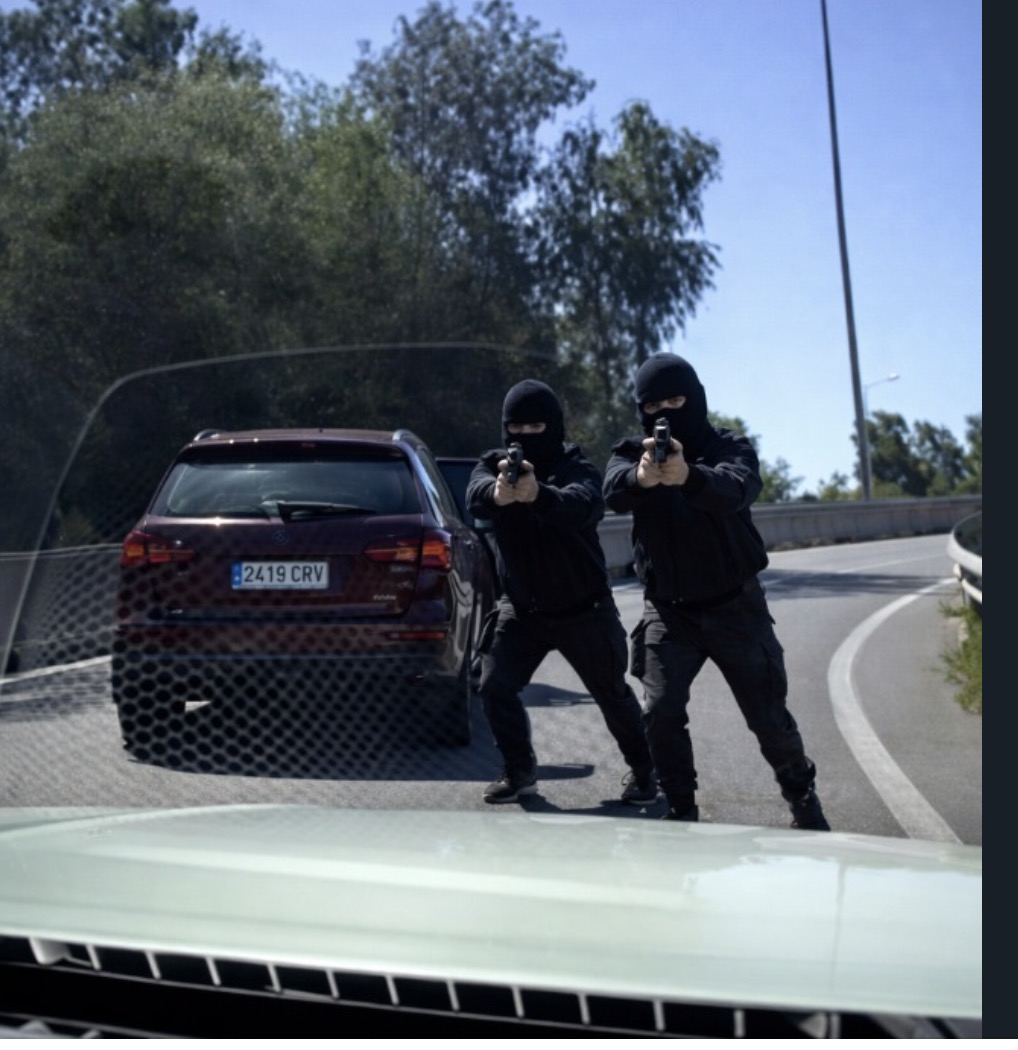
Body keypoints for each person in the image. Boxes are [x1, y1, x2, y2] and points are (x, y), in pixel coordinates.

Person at [603, 353, 830, 829]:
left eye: (675, 401)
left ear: (695, 398)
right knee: (660, 713)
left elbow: (738, 487)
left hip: (734, 607)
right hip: (669, 611)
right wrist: (642, 478)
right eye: (653, 406)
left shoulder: (728, 446)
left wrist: (690, 477)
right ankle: (680, 808)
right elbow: (612, 490)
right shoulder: (631, 453)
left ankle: (801, 796)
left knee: (768, 718)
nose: (664, 413)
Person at [467, 379, 657, 805]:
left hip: (583, 609)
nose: (524, 436)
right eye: (515, 428)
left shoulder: (576, 465)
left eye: (535, 427)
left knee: (612, 694)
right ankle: (519, 772)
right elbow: (475, 496)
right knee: (493, 685)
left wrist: (539, 495)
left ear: (552, 426)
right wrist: (498, 493)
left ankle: (647, 772)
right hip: (522, 610)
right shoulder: (493, 464)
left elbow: (584, 504)